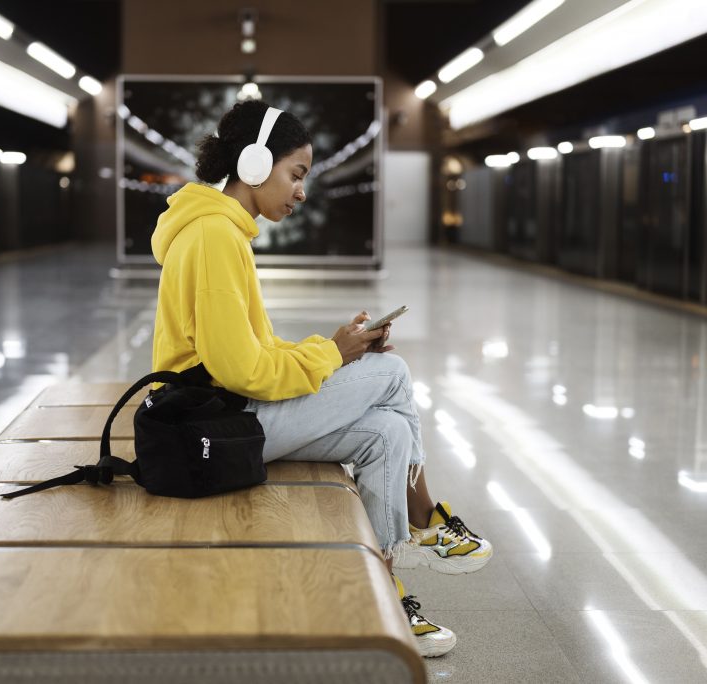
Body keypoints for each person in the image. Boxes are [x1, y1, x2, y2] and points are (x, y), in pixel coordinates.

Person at [149, 99, 492, 658]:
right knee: (393, 371)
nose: (301, 192)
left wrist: (334, 349)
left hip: (225, 413)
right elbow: (243, 371)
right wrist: (333, 355)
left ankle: (381, 592)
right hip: (219, 423)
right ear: (255, 164)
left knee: (388, 434)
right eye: (296, 174)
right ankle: (426, 521)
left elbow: (252, 349)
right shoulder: (214, 237)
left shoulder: (220, 231)